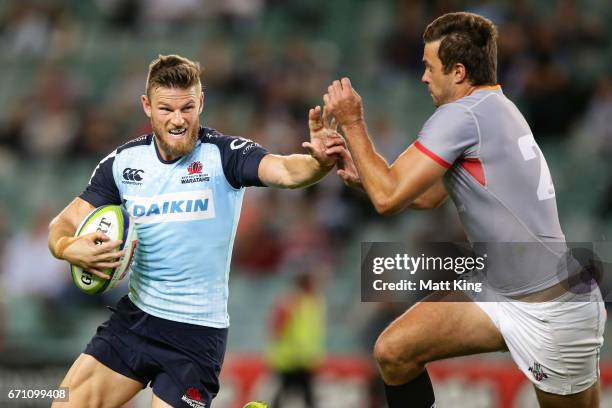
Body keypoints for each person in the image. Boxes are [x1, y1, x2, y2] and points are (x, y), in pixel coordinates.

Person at [323, 12, 605, 408]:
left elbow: (389, 198)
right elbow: (423, 196)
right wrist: (363, 179)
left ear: (457, 72)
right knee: (395, 350)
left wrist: (353, 122)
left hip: (550, 310)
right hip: (503, 293)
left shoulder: (461, 115)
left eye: (428, 67)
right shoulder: (493, 108)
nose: (423, 77)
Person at [47, 54, 344, 408]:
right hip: (136, 320)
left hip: (195, 335)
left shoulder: (225, 155)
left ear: (200, 102)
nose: (177, 120)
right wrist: (68, 247)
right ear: (147, 106)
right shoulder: (123, 163)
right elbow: (62, 223)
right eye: (166, 109)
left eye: (187, 107)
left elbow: (285, 171)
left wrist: (317, 162)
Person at [266, 271, 325, 408]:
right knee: (294, 392)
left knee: (296, 393)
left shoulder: (313, 302)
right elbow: (276, 329)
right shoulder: (292, 302)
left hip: (303, 358)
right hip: (290, 358)